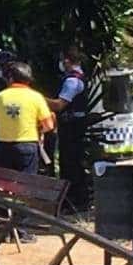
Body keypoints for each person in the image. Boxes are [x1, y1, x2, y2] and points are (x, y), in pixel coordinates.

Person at [0, 62, 55, 175]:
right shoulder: (36, 97)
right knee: (27, 184)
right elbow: (49, 125)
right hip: (28, 145)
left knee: (5, 182)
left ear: (10, 78)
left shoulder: (0, 96)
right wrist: (39, 130)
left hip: (4, 146)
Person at [47, 47, 90, 208]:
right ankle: (75, 200)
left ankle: (74, 201)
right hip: (74, 126)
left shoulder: (72, 81)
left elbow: (59, 105)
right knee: (71, 162)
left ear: (66, 60)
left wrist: (38, 97)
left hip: (72, 127)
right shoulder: (79, 77)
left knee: (70, 163)